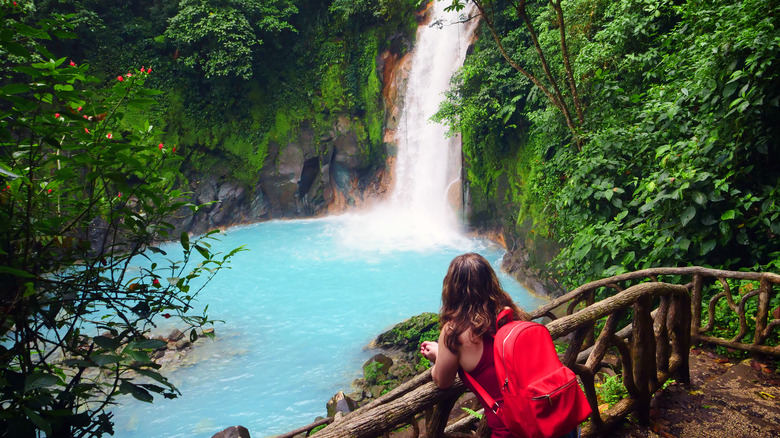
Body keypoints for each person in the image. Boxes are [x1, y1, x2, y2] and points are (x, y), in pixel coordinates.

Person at [420, 253, 578, 438]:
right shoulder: (509, 311)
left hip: (519, 430)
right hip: (556, 416)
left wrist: (439, 355)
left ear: (452, 289)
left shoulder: (454, 331)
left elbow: (443, 381)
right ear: (490, 280)